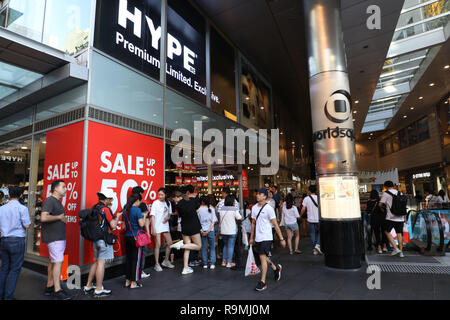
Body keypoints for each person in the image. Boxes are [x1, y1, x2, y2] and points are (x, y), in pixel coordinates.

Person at [83, 189, 122, 298]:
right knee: (101, 263)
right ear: (107, 198)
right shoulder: (106, 209)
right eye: (111, 199)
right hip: (104, 240)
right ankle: (99, 289)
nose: (112, 201)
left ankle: (88, 285)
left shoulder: (95, 207)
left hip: (95, 239)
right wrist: (118, 216)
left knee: (96, 262)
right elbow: (113, 225)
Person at [249, 188, 285, 291]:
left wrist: (281, 238)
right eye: (257, 194)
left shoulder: (269, 208)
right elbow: (253, 223)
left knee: (262, 258)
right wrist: (251, 237)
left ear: (265, 196)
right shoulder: (254, 208)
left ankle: (263, 282)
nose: (257, 195)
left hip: (267, 237)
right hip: (258, 237)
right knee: (263, 258)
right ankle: (275, 268)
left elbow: (275, 224)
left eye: (260, 194)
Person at [41, 180, 71, 300]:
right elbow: (43, 217)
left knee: (53, 262)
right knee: (58, 262)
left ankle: (49, 286)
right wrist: (59, 217)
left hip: (56, 237)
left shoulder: (56, 202)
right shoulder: (50, 201)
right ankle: (57, 290)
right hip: (54, 238)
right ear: (55, 189)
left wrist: (60, 219)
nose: (65, 189)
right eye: (63, 187)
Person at [0, 186, 31, 300]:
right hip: (17, 240)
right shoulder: (22, 208)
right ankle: (8, 297)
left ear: (9, 195)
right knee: (14, 270)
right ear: (21, 196)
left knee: (4, 268)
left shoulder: (2, 208)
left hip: (4, 240)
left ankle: (1, 295)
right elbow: (27, 225)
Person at [170, 185, 202, 275]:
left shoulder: (178, 206)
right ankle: (180, 246)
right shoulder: (192, 200)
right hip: (194, 226)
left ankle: (185, 267)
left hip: (184, 226)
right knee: (198, 246)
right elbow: (197, 209)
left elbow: (180, 216)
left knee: (188, 247)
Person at [123, 193, 148, 289]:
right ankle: (134, 282)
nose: (140, 203)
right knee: (136, 260)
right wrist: (144, 216)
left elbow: (125, 225)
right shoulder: (137, 210)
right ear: (136, 201)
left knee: (129, 259)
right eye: (139, 201)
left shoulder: (125, 210)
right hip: (137, 238)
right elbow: (141, 224)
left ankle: (127, 281)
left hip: (128, 237)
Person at [151, 188, 175, 272]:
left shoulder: (168, 203)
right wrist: (153, 228)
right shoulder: (155, 203)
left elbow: (170, 214)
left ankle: (166, 261)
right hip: (157, 226)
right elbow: (153, 216)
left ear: (165, 195)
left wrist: (167, 218)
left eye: (162, 194)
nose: (160, 196)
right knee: (158, 245)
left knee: (170, 243)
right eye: (159, 194)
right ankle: (156, 264)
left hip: (165, 226)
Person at [379, 180, 405, 258]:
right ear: (393, 186)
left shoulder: (386, 193)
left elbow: (380, 204)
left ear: (385, 186)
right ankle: (401, 252)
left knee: (387, 232)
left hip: (390, 217)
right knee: (399, 233)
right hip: (400, 217)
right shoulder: (400, 193)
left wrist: (383, 208)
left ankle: (395, 248)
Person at [131, 186, 151, 279]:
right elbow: (145, 221)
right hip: (140, 234)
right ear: (139, 194)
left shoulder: (127, 205)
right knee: (142, 253)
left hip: (130, 234)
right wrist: (148, 232)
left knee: (132, 254)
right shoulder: (142, 205)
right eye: (142, 193)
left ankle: (132, 272)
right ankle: (140, 271)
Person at [218, 195, 242, 268]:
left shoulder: (221, 209)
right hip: (232, 231)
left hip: (223, 230)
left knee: (225, 245)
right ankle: (229, 262)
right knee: (231, 246)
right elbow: (239, 217)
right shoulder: (234, 209)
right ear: (232, 201)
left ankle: (223, 261)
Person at [300, 185, 322, 255]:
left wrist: (300, 215)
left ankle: (314, 249)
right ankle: (317, 245)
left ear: (309, 191)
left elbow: (303, 208)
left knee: (312, 234)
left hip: (310, 219)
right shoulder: (319, 198)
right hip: (318, 219)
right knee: (320, 233)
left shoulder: (306, 198)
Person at [197, 196, 217, 269]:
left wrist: (202, 231)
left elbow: (197, 222)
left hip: (202, 230)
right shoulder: (211, 209)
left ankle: (205, 263)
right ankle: (212, 264)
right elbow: (213, 222)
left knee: (203, 247)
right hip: (210, 230)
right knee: (212, 247)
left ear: (202, 201)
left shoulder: (198, 210)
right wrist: (208, 231)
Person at [366, 190, 387, 254]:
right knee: (384, 233)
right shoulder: (380, 202)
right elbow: (384, 211)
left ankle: (379, 248)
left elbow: (368, 211)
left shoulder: (369, 202)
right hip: (383, 219)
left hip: (374, 219)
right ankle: (385, 246)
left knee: (376, 233)